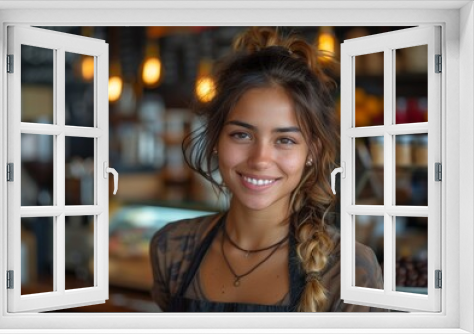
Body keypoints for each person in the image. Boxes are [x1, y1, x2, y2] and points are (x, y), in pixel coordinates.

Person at [150, 27, 384, 312]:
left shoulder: (349, 269)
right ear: (216, 140)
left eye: (285, 140)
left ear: (312, 152)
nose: (260, 159)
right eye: (242, 135)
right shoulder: (172, 248)